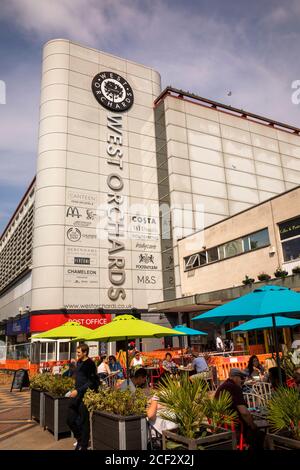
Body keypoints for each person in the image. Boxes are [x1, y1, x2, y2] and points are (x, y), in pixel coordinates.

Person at [215, 368, 265, 450]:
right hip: (235, 428)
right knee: (259, 434)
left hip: (222, 426)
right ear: (236, 377)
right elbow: (244, 413)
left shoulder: (223, 386)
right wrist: (253, 426)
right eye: (242, 378)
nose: (243, 381)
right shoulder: (234, 387)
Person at [66, 343, 99, 451]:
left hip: (85, 396)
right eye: (77, 352)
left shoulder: (90, 364)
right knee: (70, 419)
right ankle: (80, 438)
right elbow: (79, 377)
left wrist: (78, 390)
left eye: (79, 352)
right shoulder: (79, 362)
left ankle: (83, 445)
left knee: (84, 421)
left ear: (85, 352)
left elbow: (91, 382)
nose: (77, 354)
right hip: (76, 395)